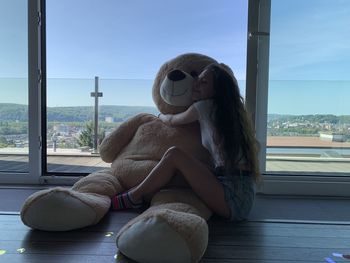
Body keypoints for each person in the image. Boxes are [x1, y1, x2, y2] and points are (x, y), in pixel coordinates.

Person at [110, 63, 260, 221]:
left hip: (232, 198)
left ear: (217, 90)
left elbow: (173, 120)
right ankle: (136, 195)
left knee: (174, 154)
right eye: (198, 80)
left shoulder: (204, 107)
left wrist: (159, 116)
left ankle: (134, 196)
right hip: (242, 191)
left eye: (203, 82)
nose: (196, 85)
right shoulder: (231, 112)